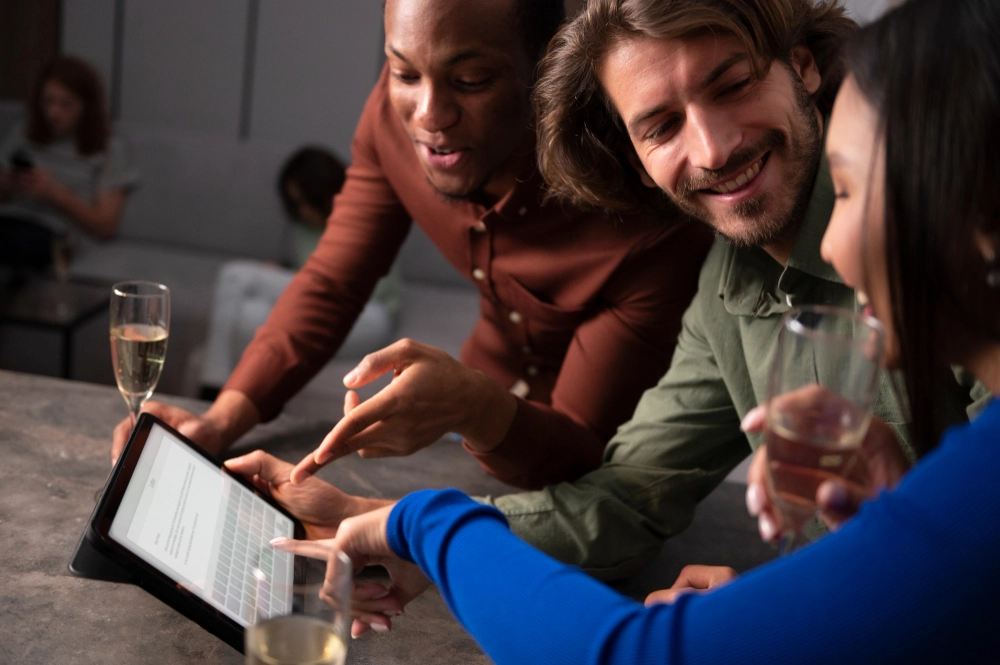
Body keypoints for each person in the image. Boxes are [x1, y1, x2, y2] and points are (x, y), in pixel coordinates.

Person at [240, 0, 1000, 659]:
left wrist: (425, 525)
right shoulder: (723, 290)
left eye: (732, 85)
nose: (713, 148)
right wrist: (377, 524)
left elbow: (631, 650)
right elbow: (627, 498)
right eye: (661, 125)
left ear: (801, 67)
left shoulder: (932, 253)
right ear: (636, 160)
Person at [111, 0, 713, 491]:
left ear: (549, 67)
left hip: (597, 473)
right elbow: (333, 281)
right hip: (464, 433)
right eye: (404, 73)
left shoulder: (644, 212)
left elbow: (581, 448)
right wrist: (221, 421)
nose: (429, 114)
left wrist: (472, 407)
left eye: (470, 81)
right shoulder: (392, 120)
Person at [198, 147, 400, 398]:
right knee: (249, 315)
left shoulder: (365, 216)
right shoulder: (303, 229)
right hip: (321, 303)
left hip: (367, 314)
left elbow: (363, 287)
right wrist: (284, 273)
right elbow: (311, 275)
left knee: (235, 276)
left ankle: (211, 386)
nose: (302, 210)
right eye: (295, 204)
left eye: (307, 201)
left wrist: (297, 279)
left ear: (324, 193)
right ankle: (242, 397)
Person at [0, 55, 139, 271]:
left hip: (56, 233)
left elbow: (105, 227)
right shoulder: (23, 129)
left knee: (18, 245)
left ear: (86, 106)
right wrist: (9, 182)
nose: (53, 112)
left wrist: (54, 193)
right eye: (48, 101)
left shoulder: (111, 146)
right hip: (9, 217)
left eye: (66, 104)